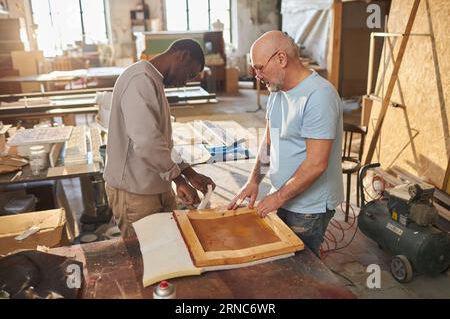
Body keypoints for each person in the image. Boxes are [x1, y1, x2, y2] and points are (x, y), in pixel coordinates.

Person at [228, 31, 344, 256]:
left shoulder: (319, 96)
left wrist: (277, 198)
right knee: (280, 258)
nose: (256, 75)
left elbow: (316, 164)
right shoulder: (276, 92)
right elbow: (269, 143)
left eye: (260, 68)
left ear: (281, 59)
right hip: (282, 197)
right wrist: (254, 181)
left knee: (301, 269)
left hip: (309, 208)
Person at [104, 38, 216, 238]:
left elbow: (161, 142)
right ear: (182, 56)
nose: (184, 82)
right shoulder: (140, 79)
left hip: (155, 184)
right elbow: (147, 143)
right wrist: (179, 180)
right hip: (135, 192)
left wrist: (189, 173)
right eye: (189, 74)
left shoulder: (153, 80)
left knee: (168, 247)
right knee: (146, 257)